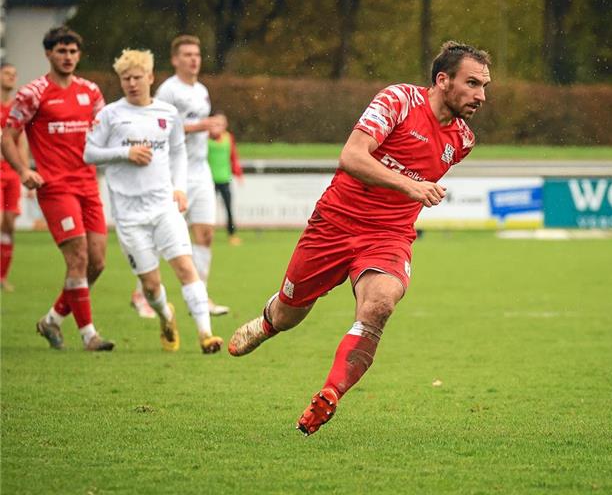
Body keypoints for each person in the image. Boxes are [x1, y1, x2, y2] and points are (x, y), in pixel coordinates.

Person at [228, 41, 491, 435]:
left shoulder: (463, 141)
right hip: (333, 225)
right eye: (472, 83)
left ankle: (330, 394)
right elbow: (352, 156)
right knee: (289, 314)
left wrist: (406, 194)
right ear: (442, 80)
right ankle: (267, 323)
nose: (481, 96)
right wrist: (410, 186)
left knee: (380, 304)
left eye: (484, 86)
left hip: (389, 236)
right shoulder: (399, 100)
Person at [84, 49, 223, 354]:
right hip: (129, 214)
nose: (132, 83)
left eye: (137, 77)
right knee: (150, 285)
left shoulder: (167, 113)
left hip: (163, 206)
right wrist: (124, 153)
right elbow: (90, 153)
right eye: (125, 78)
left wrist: (179, 187)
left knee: (187, 268)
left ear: (149, 77)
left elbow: (178, 152)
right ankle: (166, 315)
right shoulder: (110, 115)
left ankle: (205, 334)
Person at [1, 26, 114, 351]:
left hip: (88, 186)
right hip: (55, 187)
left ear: (79, 55)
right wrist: (24, 170)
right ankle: (89, 335)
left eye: (72, 52)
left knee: (97, 263)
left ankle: (51, 320)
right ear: (48, 54)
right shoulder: (33, 93)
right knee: (77, 258)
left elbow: (105, 132)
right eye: (61, 51)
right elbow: (8, 135)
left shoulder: (91, 92)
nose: (67, 57)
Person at [130, 34, 229, 318]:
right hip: (174, 172)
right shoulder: (167, 91)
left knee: (206, 234)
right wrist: (200, 126)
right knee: (166, 234)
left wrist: (212, 129)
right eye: (186, 54)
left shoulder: (201, 90)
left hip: (201, 169)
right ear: (175, 59)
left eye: (196, 54)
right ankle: (141, 294)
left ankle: (201, 298)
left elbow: (198, 127)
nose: (193, 59)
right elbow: (158, 128)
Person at [0, 62, 28, 292]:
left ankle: (2, 276)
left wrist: (25, 170)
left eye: (13, 73)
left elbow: (22, 142)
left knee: (8, 224)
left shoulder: (17, 109)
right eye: (7, 73)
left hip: (11, 173)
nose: (11, 77)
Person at [207, 116, 243, 245]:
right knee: (207, 209)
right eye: (215, 123)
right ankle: (207, 233)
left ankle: (232, 234)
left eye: (221, 124)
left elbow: (233, 157)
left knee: (228, 208)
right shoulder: (204, 138)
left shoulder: (228, 138)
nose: (218, 126)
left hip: (224, 179)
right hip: (208, 181)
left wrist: (238, 173)